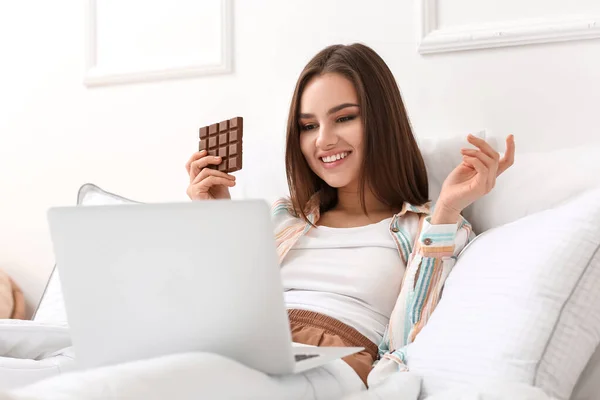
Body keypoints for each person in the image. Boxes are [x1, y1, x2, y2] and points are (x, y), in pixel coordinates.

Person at [185, 43, 515, 388]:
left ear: (382, 121)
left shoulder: (428, 227)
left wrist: (446, 210)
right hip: (249, 346)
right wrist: (216, 220)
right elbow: (227, 308)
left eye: (344, 118)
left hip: (335, 361)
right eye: (308, 126)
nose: (323, 140)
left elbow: (412, 332)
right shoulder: (285, 217)